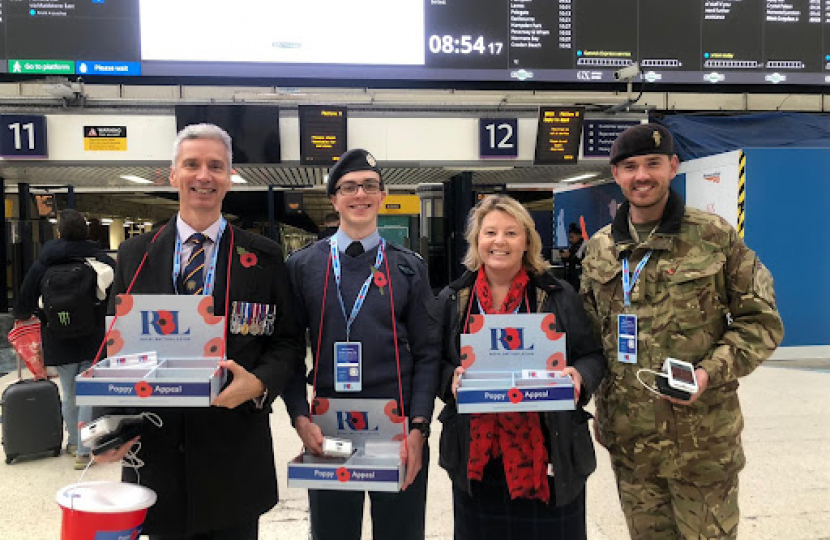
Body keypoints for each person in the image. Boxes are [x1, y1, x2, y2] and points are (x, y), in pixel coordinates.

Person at [94, 123, 304, 539]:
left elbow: (287, 340)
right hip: (156, 451)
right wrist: (106, 424)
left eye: (216, 166)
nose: (203, 176)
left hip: (234, 452)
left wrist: (260, 382)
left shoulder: (263, 257)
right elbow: (114, 342)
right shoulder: (136, 254)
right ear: (173, 174)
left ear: (230, 177)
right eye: (192, 164)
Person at [580, 123, 784, 539]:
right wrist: (601, 405)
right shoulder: (600, 249)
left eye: (653, 163)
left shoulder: (714, 236)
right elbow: (593, 338)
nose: (642, 176)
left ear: (673, 166)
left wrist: (709, 372)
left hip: (702, 441)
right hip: (632, 443)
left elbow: (761, 321)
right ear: (616, 174)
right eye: (630, 167)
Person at [282, 148, 439, 540]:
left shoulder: (408, 266)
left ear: (382, 195)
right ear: (334, 199)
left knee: (401, 534)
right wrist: (299, 417)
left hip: (397, 431)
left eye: (370, 186)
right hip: (329, 429)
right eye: (348, 187)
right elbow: (287, 348)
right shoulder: (303, 267)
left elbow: (428, 352)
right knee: (333, 533)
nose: (360, 194)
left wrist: (419, 427)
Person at [432, 195, 606, 540]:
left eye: (511, 233)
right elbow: (432, 361)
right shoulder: (454, 299)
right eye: (490, 232)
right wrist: (449, 379)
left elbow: (592, 355)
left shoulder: (558, 295)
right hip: (479, 459)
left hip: (550, 454)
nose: (499, 241)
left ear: (527, 241)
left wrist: (579, 377)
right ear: (476, 240)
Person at [13, 208, 115, 469]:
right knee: (89, 393)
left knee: (69, 394)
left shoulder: (44, 263)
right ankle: (85, 448)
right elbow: (120, 296)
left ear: (58, 232)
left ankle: (73, 443)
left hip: (57, 337)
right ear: (86, 231)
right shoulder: (99, 259)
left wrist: (30, 314)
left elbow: (23, 303)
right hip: (94, 337)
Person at [560, 222, 586, 290]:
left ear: (579, 236)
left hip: (581, 277)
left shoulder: (585, 246)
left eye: (572, 237)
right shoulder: (572, 247)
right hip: (572, 277)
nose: (570, 240)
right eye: (569, 237)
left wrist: (570, 256)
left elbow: (583, 261)